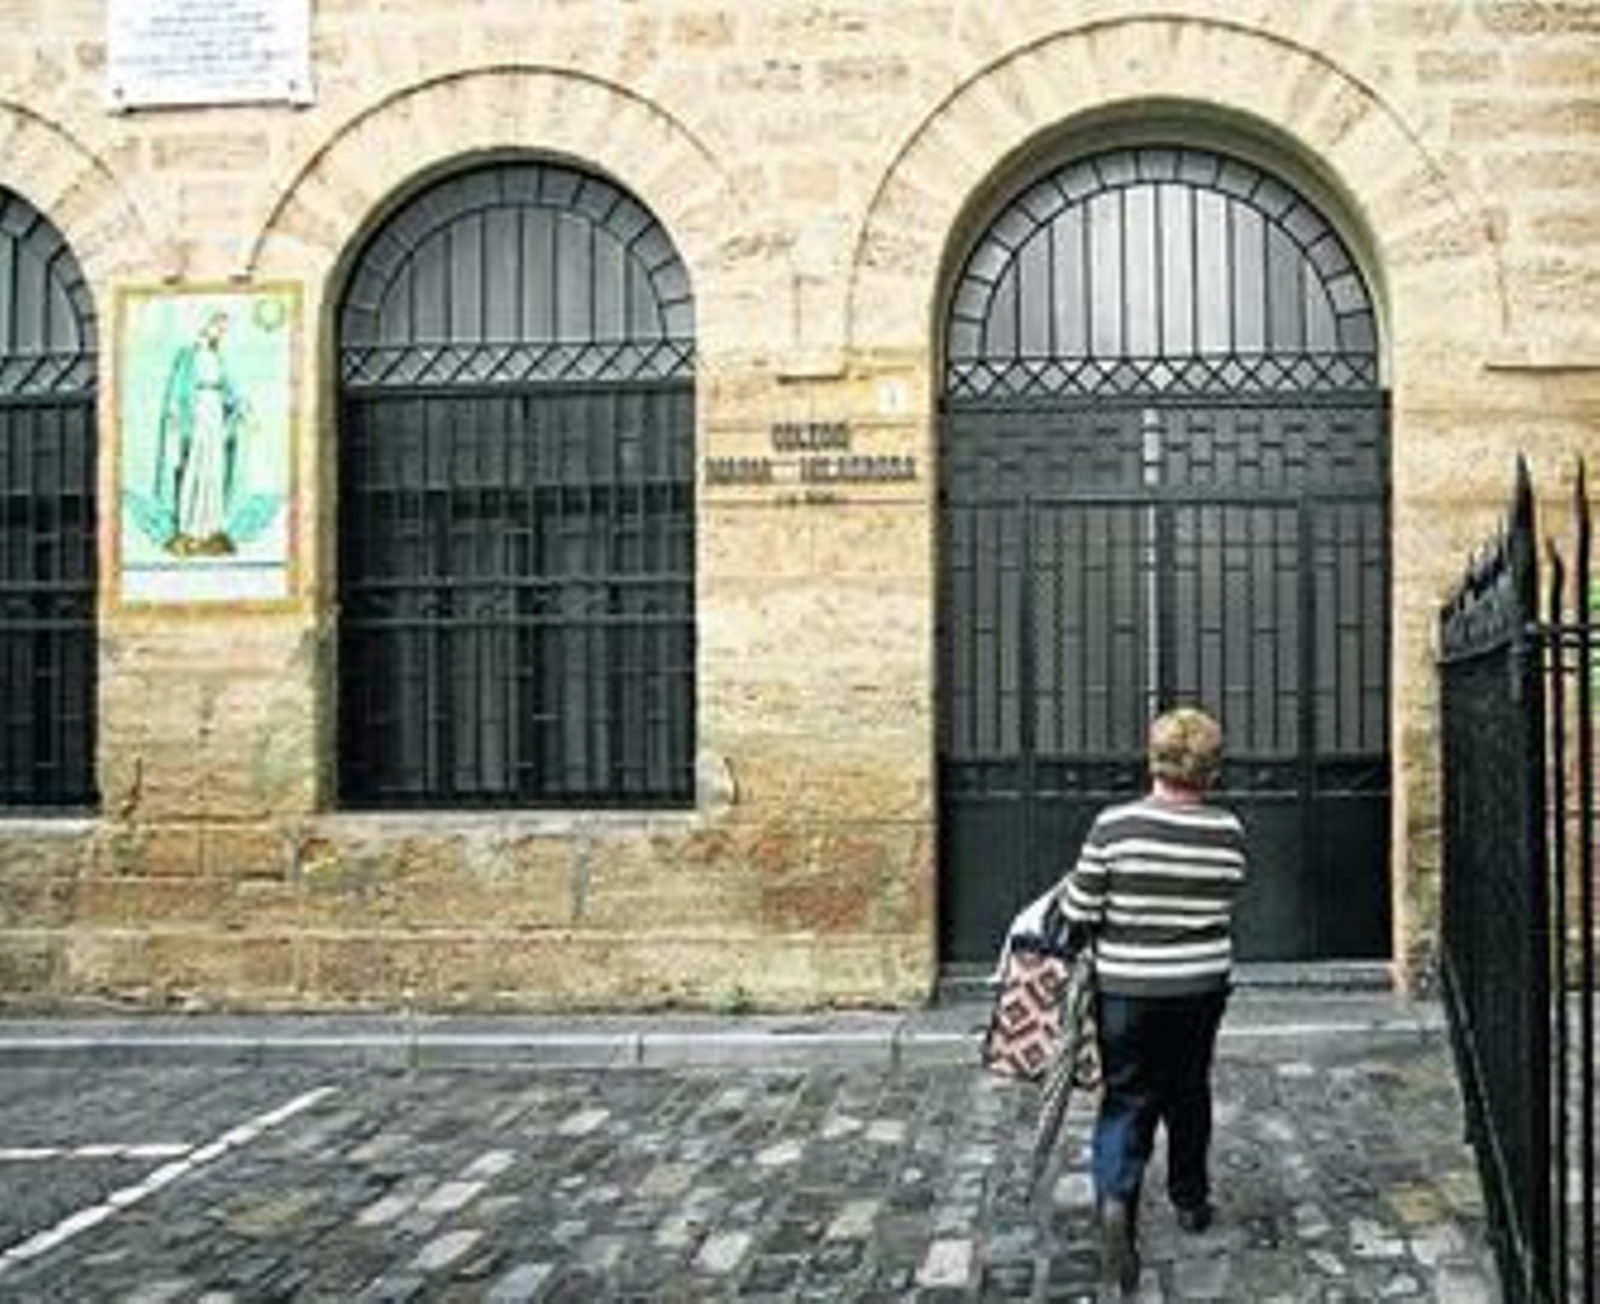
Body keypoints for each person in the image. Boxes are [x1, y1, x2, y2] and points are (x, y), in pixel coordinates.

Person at [1053, 706, 1247, 1294]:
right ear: (1210, 769)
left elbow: (1079, 911)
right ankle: (1190, 1200)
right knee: (1189, 1090)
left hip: (1128, 989)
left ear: (1154, 759)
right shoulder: (1227, 831)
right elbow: (1228, 895)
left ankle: (1117, 1202)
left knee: (1128, 1097)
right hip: (1200, 986)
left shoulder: (1114, 826)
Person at [153, 309, 248, 557]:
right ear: (205, 326)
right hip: (198, 413)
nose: (221, 332)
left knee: (214, 469)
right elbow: (177, 389)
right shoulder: (188, 356)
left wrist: (240, 407)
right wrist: (175, 414)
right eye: (217, 326)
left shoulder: (218, 358)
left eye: (223, 328)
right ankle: (189, 528)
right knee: (195, 466)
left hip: (215, 412)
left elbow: (229, 388)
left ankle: (211, 528)